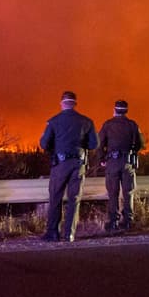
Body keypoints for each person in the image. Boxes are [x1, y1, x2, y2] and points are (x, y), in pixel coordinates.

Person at [39, 90, 98, 242]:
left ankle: (53, 233)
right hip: (78, 164)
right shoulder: (86, 121)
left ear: (61, 103)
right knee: (75, 199)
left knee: (56, 197)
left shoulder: (53, 121)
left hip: (60, 164)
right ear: (75, 104)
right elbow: (94, 144)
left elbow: (44, 144)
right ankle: (69, 234)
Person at [97, 99, 148, 233]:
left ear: (114, 110)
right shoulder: (132, 125)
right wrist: (132, 151)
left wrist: (102, 159)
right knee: (128, 193)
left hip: (112, 163)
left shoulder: (107, 125)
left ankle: (113, 222)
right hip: (128, 162)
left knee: (113, 193)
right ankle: (128, 222)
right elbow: (141, 143)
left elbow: (99, 143)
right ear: (126, 111)